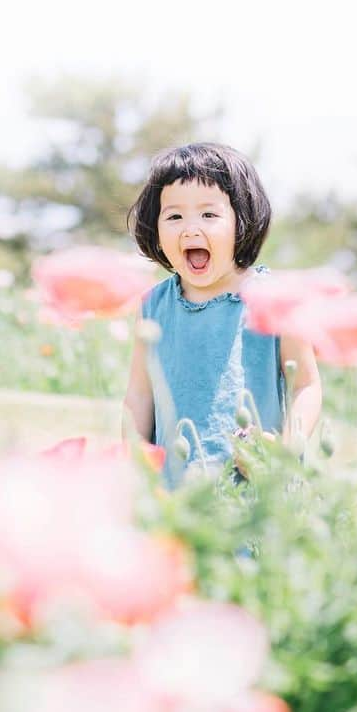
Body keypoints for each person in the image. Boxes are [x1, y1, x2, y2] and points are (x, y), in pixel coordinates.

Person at [123, 142, 322, 486]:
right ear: (154, 227)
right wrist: (133, 461)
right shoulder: (154, 306)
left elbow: (306, 384)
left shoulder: (272, 299)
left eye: (209, 215)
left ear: (241, 221)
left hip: (252, 486)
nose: (190, 229)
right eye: (174, 216)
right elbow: (140, 394)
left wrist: (286, 450)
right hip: (174, 489)